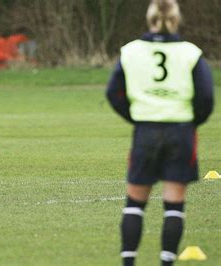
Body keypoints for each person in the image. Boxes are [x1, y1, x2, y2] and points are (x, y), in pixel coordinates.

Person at [106, 0, 214, 265]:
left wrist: (136, 116)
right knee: (174, 205)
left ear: (149, 18)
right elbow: (206, 97)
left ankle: (128, 261)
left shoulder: (131, 51)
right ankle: (167, 261)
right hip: (181, 133)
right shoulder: (190, 52)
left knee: (135, 203)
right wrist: (191, 122)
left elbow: (113, 93)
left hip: (146, 131)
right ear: (176, 19)